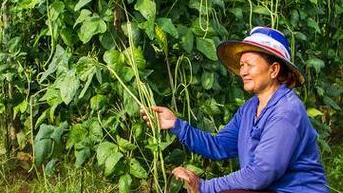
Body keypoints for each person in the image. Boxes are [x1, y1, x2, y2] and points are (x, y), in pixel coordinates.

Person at [141, 27, 329, 193]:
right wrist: (176, 125)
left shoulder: (286, 112)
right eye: (241, 65)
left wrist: (205, 187)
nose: (243, 72)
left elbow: (260, 174)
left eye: (250, 65)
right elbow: (219, 146)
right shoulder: (250, 109)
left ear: (273, 70)